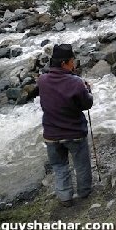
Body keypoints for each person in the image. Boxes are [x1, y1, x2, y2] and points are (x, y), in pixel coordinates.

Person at [37, 43, 94, 207]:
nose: (74, 64)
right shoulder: (76, 82)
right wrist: (88, 91)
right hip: (74, 132)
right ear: (64, 63)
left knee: (59, 166)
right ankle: (84, 192)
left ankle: (65, 197)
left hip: (51, 134)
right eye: (72, 61)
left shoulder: (42, 80)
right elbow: (86, 105)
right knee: (81, 164)